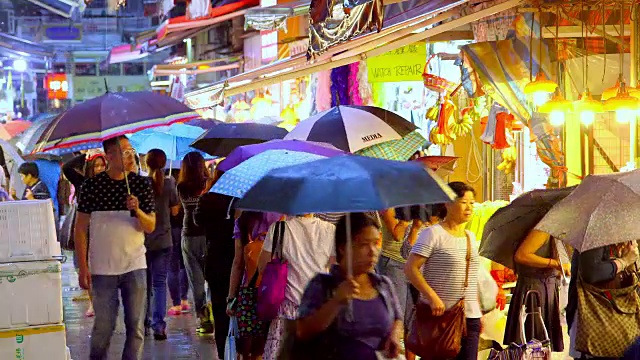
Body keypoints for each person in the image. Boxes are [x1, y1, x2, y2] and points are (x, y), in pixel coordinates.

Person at [74, 136, 156, 360]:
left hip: (135, 265)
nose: (130, 156)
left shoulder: (141, 184)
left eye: (131, 151)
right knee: (103, 328)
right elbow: (80, 228)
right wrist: (83, 267)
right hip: (102, 269)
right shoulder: (92, 186)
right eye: (124, 152)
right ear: (109, 156)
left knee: (136, 328)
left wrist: (137, 210)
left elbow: (150, 226)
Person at [296, 212, 402, 360]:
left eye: (376, 243)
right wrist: (335, 302)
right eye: (364, 244)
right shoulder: (322, 285)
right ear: (343, 247)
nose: (372, 252)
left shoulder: (383, 284)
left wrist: (394, 336)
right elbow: (303, 331)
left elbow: (397, 318)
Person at [404, 182, 481, 360]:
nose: (469, 207)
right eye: (463, 202)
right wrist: (432, 297)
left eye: (472, 203)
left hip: (469, 317)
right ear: (447, 203)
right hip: (441, 317)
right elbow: (410, 268)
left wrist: (478, 310)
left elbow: (471, 277)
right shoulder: (433, 234)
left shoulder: (470, 237)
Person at [258, 214, 336, 360]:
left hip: (286, 315)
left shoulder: (278, 229)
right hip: (317, 313)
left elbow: (262, 267)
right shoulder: (330, 230)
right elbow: (333, 268)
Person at [567, 242, 639, 359]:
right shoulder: (596, 235)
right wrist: (624, 261)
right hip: (593, 317)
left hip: (616, 321)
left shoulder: (621, 239)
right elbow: (591, 273)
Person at [227, 211, 282, 360]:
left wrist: (231, 297)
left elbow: (238, 263)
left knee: (248, 350)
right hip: (275, 292)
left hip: (249, 293)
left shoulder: (243, 221)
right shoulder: (283, 219)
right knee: (269, 347)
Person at [194, 169, 236, 358]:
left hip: (215, 259)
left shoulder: (208, 199)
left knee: (219, 310)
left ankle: (222, 352)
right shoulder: (240, 200)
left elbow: (197, 221)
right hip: (237, 259)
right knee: (236, 308)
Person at [504, 229, 570, 351]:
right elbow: (521, 255)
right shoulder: (543, 230)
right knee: (532, 344)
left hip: (545, 288)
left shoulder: (555, 232)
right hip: (535, 290)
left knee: (540, 347)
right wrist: (554, 264)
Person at [63, 151, 107, 316]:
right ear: (90, 167)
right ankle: (93, 303)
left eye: (103, 165)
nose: (100, 168)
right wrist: (85, 154)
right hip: (87, 229)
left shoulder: (110, 183)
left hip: (105, 229)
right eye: (96, 165)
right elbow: (67, 168)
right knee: (89, 266)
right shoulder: (82, 182)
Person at [144, 149, 180, 341]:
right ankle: (159, 325)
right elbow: (175, 212)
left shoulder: (141, 184)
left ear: (146, 163)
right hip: (165, 240)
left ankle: (144, 322)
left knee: (145, 284)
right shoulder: (170, 183)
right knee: (159, 284)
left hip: (144, 241)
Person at [177, 151, 214, 334]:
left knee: (196, 281)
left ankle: (204, 319)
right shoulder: (209, 184)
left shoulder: (181, 186)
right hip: (207, 235)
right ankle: (213, 312)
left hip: (189, 235)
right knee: (211, 279)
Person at [166, 168, 191, 316]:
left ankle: (176, 304)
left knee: (172, 267)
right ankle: (184, 299)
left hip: (171, 229)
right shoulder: (186, 184)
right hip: (184, 228)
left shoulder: (166, 184)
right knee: (183, 266)